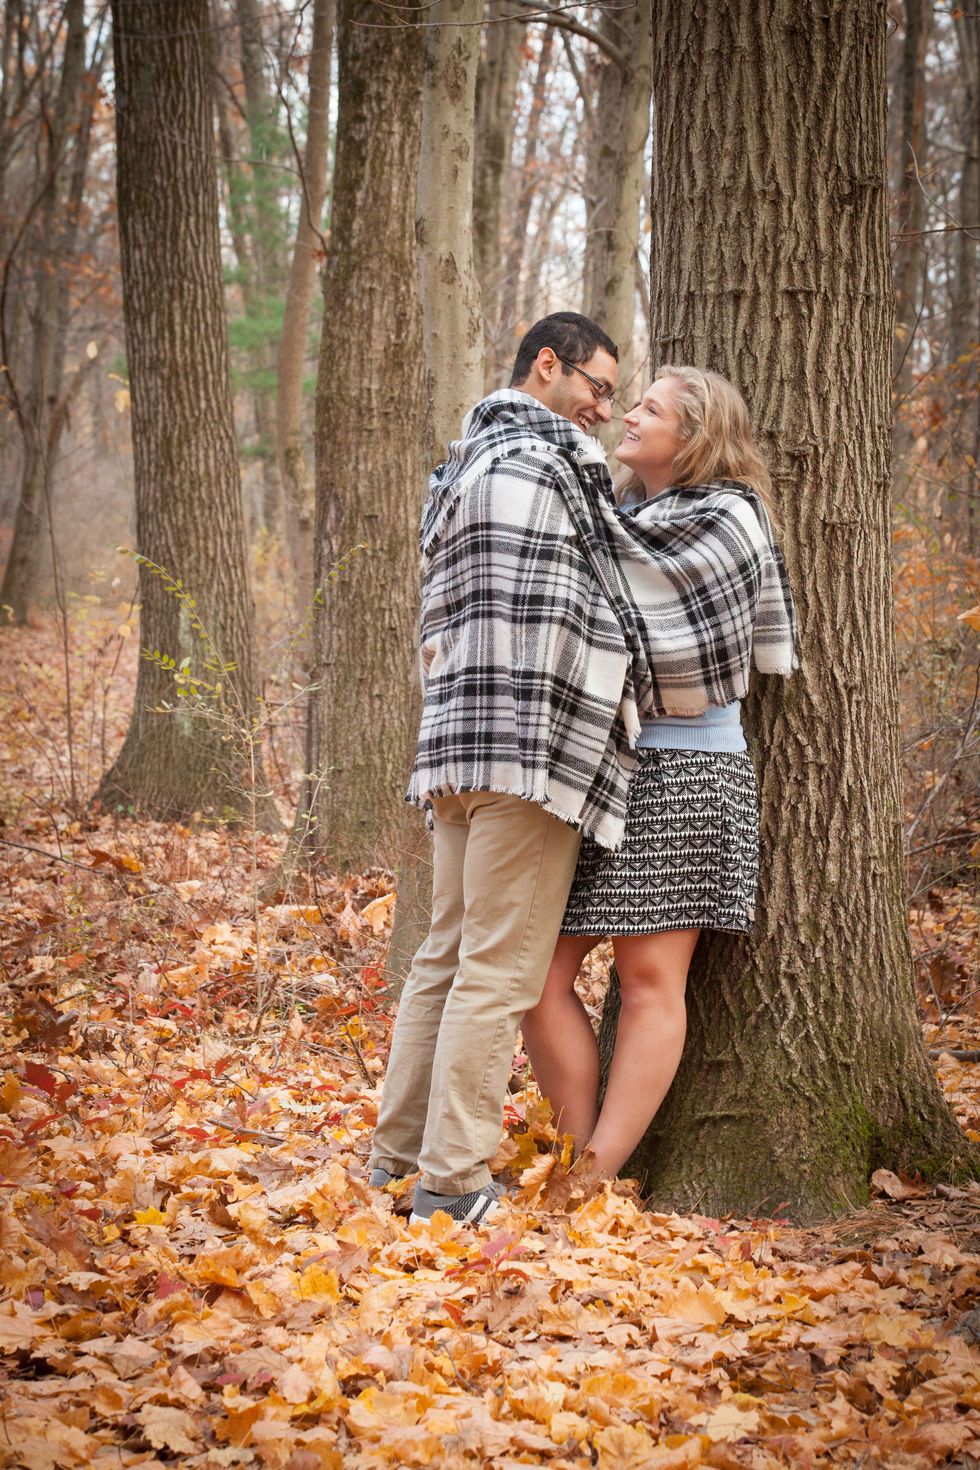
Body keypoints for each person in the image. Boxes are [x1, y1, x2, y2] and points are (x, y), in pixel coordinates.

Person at [369, 312, 648, 1226]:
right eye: (597, 387)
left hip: (455, 747)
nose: (603, 410)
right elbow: (616, 598)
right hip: (527, 754)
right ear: (547, 365)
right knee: (496, 972)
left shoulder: (463, 466)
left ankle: (394, 1162)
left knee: (444, 958)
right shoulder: (553, 466)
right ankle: (452, 1184)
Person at [520, 365, 797, 1182]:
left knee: (648, 980)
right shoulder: (619, 516)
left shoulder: (730, 516)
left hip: (688, 770)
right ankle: (574, 1164)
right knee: (534, 975)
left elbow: (642, 611)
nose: (629, 416)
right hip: (599, 772)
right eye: (631, 403)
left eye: (649, 408)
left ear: (696, 435)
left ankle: (591, 1180)